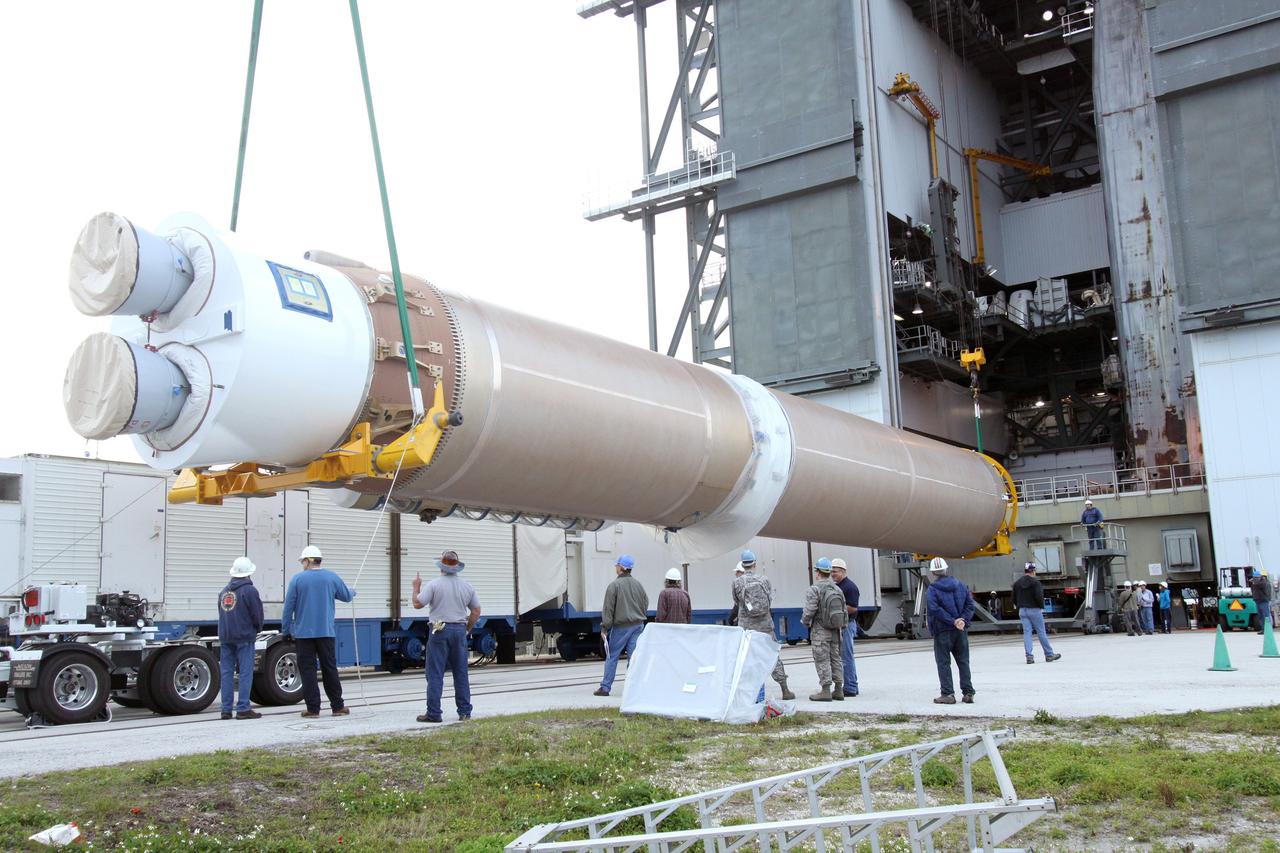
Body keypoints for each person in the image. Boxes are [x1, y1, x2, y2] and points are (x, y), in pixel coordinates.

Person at [282, 545, 355, 717]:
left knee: (308, 671)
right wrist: (353, 591)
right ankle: (337, 706)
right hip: (326, 633)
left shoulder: (297, 580)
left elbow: (288, 608)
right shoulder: (331, 577)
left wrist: (286, 630)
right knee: (330, 669)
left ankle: (313, 709)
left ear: (308, 561)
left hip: (303, 634)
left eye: (303, 561)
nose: (302, 564)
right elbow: (346, 596)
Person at [412, 549, 481, 723]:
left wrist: (416, 587)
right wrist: (467, 629)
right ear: (457, 568)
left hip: (439, 629)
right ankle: (464, 712)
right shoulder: (467, 586)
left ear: (441, 567)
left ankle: (434, 713)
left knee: (435, 673)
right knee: (461, 673)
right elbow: (476, 610)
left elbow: (417, 604)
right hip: (459, 629)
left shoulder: (434, 584)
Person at [731, 549, 795, 700]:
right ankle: (785, 689)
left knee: (747, 657)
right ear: (754, 563)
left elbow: (737, 602)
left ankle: (748, 693)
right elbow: (769, 600)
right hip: (765, 624)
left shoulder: (737, 582)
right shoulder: (764, 579)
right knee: (772, 655)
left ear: (742, 564)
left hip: (746, 626)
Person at [217, 557, 265, 720]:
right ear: (248, 574)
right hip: (244, 636)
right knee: (245, 672)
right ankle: (243, 708)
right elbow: (256, 614)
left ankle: (226, 709)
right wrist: (257, 628)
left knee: (226, 673)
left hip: (225, 636)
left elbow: (221, 613)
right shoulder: (250, 591)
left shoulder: (224, 591)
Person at [594, 555, 648, 697]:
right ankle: (633, 688)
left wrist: (605, 628)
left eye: (617, 565)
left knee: (612, 656)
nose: (616, 567)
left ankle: (605, 688)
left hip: (621, 627)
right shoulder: (638, 585)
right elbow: (645, 603)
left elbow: (608, 609)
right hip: (638, 626)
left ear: (621, 567)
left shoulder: (614, 586)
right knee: (634, 658)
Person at [924, 558, 975, 705]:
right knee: (963, 661)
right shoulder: (961, 585)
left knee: (943, 662)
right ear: (946, 569)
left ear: (933, 572)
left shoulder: (933, 589)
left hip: (943, 630)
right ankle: (968, 693)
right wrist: (962, 621)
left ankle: (948, 694)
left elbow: (934, 609)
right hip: (960, 630)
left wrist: (952, 621)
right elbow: (970, 605)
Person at [802, 558, 846, 702]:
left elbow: (810, 610)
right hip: (836, 630)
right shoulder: (837, 589)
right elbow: (844, 610)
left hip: (820, 630)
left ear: (817, 572)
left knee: (822, 660)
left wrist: (805, 622)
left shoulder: (815, 589)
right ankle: (839, 690)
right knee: (836, 659)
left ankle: (825, 690)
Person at [1012, 562, 1060, 664]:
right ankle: (1049, 655)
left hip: (1022, 610)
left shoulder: (1017, 583)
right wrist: (1041, 607)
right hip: (1034, 609)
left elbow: (1013, 598)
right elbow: (1039, 596)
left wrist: (1020, 605)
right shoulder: (1035, 583)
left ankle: (1029, 657)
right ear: (1033, 571)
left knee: (1027, 633)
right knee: (1041, 632)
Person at [830, 558, 860, 697]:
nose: (832, 574)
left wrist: (835, 611)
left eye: (835, 571)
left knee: (846, 657)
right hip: (843, 625)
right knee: (844, 656)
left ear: (842, 571)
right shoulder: (841, 586)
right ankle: (852, 685)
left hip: (847, 626)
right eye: (831, 572)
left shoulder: (849, 587)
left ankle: (850, 687)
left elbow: (853, 607)